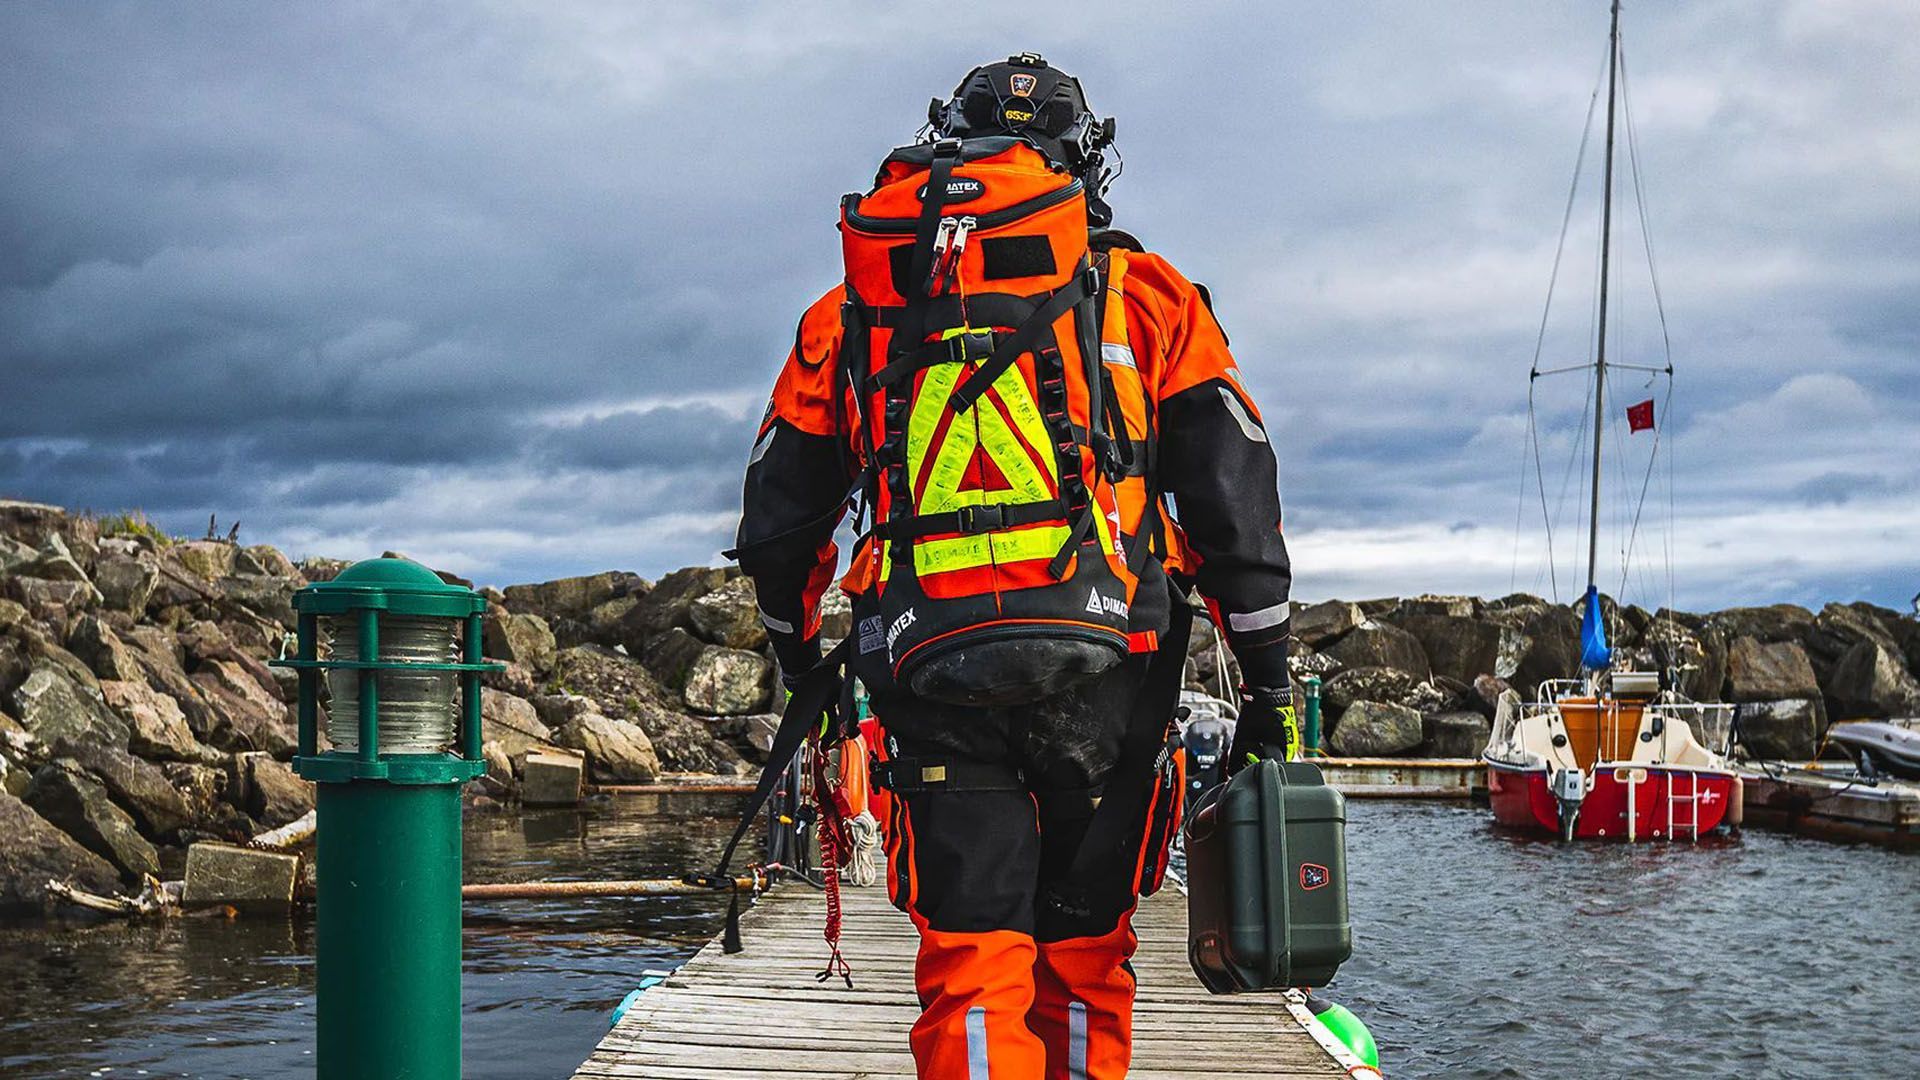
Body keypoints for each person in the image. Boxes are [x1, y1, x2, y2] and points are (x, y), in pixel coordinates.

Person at [734, 53, 1298, 1080]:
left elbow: (781, 523)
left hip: (924, 659)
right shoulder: (1150, 296)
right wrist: (1268, 695)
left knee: (973, 953)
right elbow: (1237, 517)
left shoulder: (850, 311)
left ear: (945, 142)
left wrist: (799, 660)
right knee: (1085, 955)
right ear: (1088, 167)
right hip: (1113, 663)